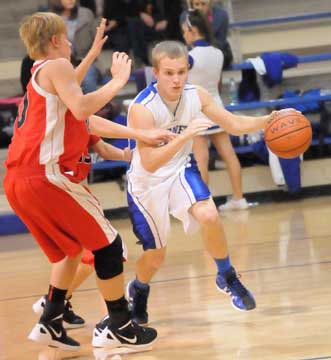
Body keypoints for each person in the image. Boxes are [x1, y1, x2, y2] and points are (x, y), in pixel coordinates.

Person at [4, 12, 174, 350]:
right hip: (46, 175)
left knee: (69, 253)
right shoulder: (55, 67)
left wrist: (94, 54)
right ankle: (121, 326)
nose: (70, 45)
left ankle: (50, 321)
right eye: (67, 39)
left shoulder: (43, 80)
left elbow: (81, 112)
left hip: (17, 180)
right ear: (54, 41)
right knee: (109, 247)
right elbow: (82, 108)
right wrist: (117, 81)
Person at [124, 40, 288, 325]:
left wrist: (268, 120)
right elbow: (150, 162)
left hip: (180, 170)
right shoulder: (143, 108)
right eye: (169, 73)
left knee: (210, 214)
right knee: (155, 257)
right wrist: (186, 136)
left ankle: (226, 275)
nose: (176, 79)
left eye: (181, 72)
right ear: (155, 72)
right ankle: (138, 288)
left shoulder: (196, 95)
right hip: (147, 182)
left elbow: (233, 124)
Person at [181, 9, 248, 211]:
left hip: (197, 110)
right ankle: (239, 198)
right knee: (228, 154)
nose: (183, 34)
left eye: (184, 30)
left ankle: (204, 203)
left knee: (200, 159)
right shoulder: (218, 53)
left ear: (192, 31)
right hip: (217, 107)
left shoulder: (189, 57)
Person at [48, 0, 102, 93]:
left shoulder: (86, 13)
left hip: (87, 60)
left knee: (87, 80)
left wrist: (88, 59)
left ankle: (91, 106)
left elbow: (97, 42)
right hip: (62, 63)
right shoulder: (51, 19)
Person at [180, 0, 233, 68]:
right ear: (192, 5)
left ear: (210, 3)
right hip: (195, 53)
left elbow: (221, 42)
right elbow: (188, 42)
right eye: (197, 4)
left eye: (203, 4)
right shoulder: (185, 17)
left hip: (219, 52)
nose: (200, 7)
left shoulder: (221, 15)